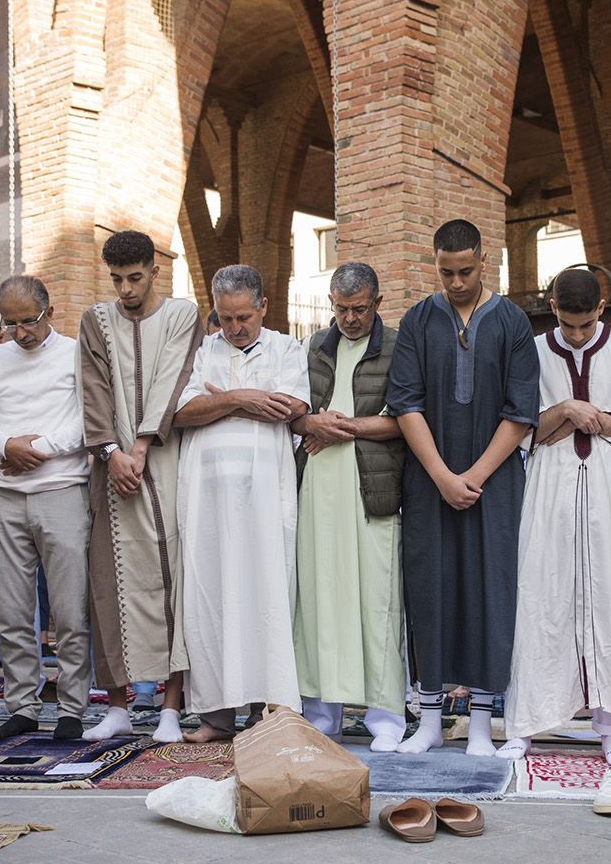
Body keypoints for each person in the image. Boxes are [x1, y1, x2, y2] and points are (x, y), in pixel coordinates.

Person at [386, 220, 540, 756]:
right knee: (429, 590)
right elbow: (405, 402)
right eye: (446, 271)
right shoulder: (417, 320)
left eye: (466, 271)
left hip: (494, 485)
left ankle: (479, 721)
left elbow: (521, 412)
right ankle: (428, 719)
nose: (455, 281)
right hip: (429, 482)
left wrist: (472, 477)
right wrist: (443, 477)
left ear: (485, 261)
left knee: (488, 591)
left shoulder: (513, 321)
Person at [499, 269, 611, 765]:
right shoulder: (533, 350)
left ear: (601, 308)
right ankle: (525, 726)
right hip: (549, 490)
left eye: (585, 325)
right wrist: (565, 407)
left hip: (608, 488)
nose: (577, 335)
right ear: (552, 308)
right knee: (541, 595)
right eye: (567, 324)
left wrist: (582, 418)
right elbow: (524, 426)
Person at [173, 265, 310, 739]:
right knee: (211, 597)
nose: (235, 328)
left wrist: (222, 400)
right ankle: (215, 714)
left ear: (263, 307)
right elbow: (183, 412)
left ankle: (264, 710)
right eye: (226, 318)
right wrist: (244, 398)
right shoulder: (201, 351)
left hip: (264, 498)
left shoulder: (287, 348)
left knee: (265, 593)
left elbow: (292, 406)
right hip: (207, 501)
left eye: (244, 317)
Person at [79, 231, 202, 744]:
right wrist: (111, 453)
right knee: (109, 582)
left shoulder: (181, 314)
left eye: (134, 277)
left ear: (155, 271)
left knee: (173, 576)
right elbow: (94, 388)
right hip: (112, 472)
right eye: (116, 280)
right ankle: (117, 706)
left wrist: (142, 447)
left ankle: (171, 708)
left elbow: (174, 377)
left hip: (168, 460)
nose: (126, 289)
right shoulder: (95, 321)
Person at [291, 262, 409, 751]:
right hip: (318, 487)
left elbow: (407, 418)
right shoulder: (314, 345)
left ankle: (386, 718)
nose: (350, 318)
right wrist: (308, 424)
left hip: (371, 487)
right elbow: (295, 412)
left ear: (377, 303)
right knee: (320, 597)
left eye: (359, 309)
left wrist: (343, 428)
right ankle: (322, 714)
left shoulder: (401, 345)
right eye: (341, 309)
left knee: (377, 600)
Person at [0, 275, 93, 741]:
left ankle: (71, 708)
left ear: (51, 313)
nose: (22, 332)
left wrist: (35, 449)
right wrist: (5, 445)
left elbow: (89, 418)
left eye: (31, 320)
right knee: (11, 609)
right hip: (4, 495)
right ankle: (21, 705)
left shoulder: (76, 352)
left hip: (61, 489)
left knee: (69, 609)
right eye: (12, 322)